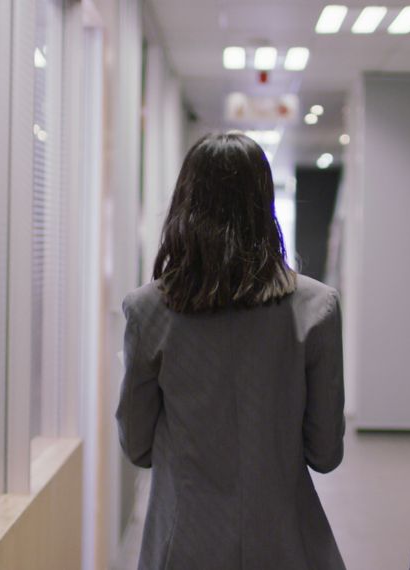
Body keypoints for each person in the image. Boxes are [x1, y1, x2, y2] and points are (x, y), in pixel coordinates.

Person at [116, 133, 346, 570]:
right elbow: (325, 453)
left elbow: (137, 445)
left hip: (182, 544)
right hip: (287, 542)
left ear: (185, 202)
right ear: (264, 205)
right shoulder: (317, 307)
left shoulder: (148, 311)